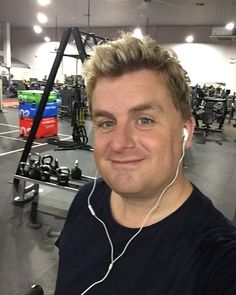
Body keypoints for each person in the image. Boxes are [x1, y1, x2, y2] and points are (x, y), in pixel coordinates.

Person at [54, 33, 236, 295]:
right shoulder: (86, 200)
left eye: (144, 120)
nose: (119, 143)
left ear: (185, 131)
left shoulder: (219, 258)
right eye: (107, 122)